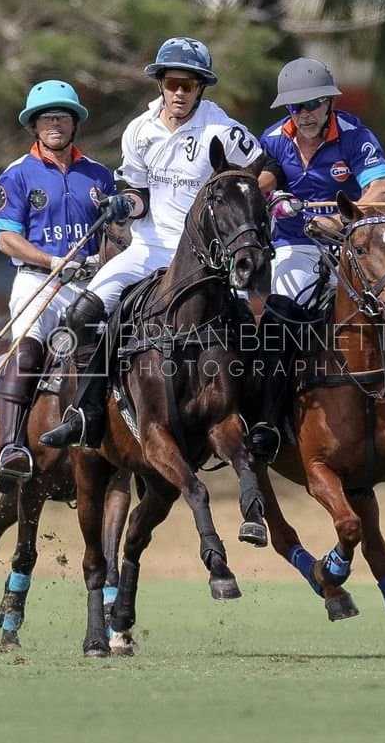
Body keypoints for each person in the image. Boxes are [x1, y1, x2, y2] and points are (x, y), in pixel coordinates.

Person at [39, 36, 268, 450]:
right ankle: (86, 412)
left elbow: (261, 170)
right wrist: (122, 204)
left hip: (203, 259)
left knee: (253, 326)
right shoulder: (139, 131)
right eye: (172, 83)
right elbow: (138, 195)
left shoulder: (225, 130)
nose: (179, 92)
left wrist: (255, 204)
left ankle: (258, 419)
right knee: (81, 313)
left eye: (189, 85)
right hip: (147, 250)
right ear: (160, 84)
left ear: (201, 88)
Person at [249, 57, 385, 463]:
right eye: (295, 107)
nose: (304, 115)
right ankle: (269, 424)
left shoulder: (354, 136)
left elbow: (381, 191)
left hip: (351, 247)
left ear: (328, 102)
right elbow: (256, 187)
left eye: (311, 104)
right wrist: (272, 201)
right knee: (279, 319)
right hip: (296, 248)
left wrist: (334, 219)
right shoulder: (273, 140)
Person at [0, 79, 116, 490]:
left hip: (90, 283)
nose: (54, 124)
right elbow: (7, 239)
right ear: (34, 126)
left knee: (124, 347)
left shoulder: (98, 174)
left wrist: (105, 257)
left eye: (61, 116)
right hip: (39, 283)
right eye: (46, 118)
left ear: (75, 123)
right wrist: (54, 260)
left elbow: (118, 232)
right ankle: (12, 447)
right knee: (27, 349)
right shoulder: (18, 174)